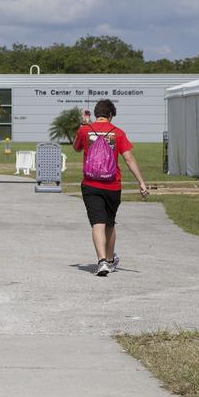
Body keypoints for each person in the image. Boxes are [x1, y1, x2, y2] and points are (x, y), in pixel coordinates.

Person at [74, 99, 149, 276]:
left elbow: (76, 148)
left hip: (90, 184)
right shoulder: (118, 133)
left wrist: (82, 126)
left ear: (96, 113)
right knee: (109, 223)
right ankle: (108, 260)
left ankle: (102, 262)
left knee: (97, 223)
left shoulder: (85, 130)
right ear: (110, 115)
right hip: (112, 185)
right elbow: (129, 159)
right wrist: (141, 182)